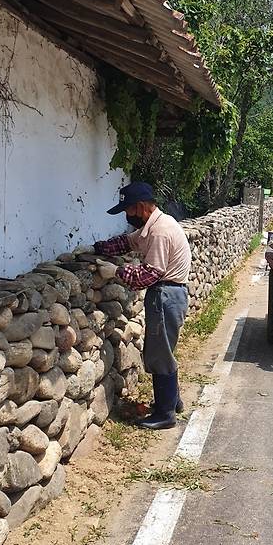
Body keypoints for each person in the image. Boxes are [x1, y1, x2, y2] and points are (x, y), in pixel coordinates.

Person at [94, 182, 191, 430]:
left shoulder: (160, 232)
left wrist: (115, 271)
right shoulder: (155, 225)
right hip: (170, 294)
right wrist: (100, 248)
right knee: (164, 349)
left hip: (166, 295)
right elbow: (128, 242)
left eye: (128, 211)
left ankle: (165, 413)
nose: (127, 217)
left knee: (160, 353)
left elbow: (149, 275)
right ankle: (173, 401)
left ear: (139, 207)